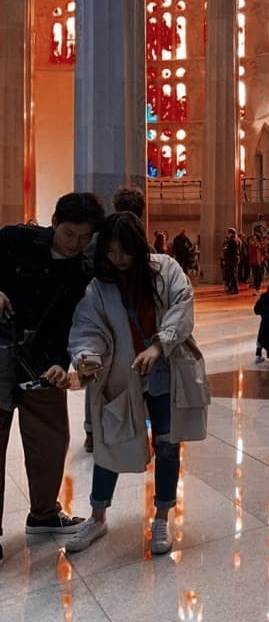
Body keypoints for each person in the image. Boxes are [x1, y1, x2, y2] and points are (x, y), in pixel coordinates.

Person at [64, 212, 209, 554]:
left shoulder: (165, 269)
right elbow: (90, 328)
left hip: (165, 371)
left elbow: (182, 307)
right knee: (110, 439)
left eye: (125, 252)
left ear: (138, 247)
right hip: (121, 373)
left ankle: (161, 517)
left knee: (168, 443)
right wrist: (86, 355)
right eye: (111, 253)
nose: (119, 260)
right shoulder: (100, 286)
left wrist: (159, 346)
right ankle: (97, 516)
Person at [0, 192, 105, 564]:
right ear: (55, 222)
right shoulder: (14, 239)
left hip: (43, 363)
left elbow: (74, 324)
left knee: (50, 439)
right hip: (1, 353)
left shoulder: (83, 272)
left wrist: (64, 362)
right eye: (69, 234)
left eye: (83, 238)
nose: (75, 244)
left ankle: (44, 514)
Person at [83, 185, 147, 453]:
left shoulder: (99, 240)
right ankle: (107, 429)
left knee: (97, 374)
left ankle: (93, 431)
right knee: (107, 372)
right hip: (116, 317)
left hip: (103, 315)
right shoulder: (137, 243)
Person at [222, 228, 240, 294]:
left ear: (231, 233)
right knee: (231, 275)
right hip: (232, 259)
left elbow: (233, 251)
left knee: (232, 275)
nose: (227, 234)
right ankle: (231, 288)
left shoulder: (232, 241)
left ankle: (235, 289)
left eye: (228, 233)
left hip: (231, 260)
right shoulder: (234, 240)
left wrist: (226, 249)